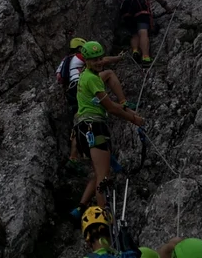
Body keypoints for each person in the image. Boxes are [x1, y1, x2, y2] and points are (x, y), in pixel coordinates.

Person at [72, 41, 144, 213]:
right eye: (94, 59)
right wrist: (134, 119)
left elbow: (106, 103)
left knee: (99, 172)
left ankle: (81, 207)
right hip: (94, 127)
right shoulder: (92, 79)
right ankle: (104, 214)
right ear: (86, 60)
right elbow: (110, 108)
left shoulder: (86, 75)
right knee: (104, 176)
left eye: (100, 58)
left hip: (83, 129)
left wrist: (128, 110)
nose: (98, 62)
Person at [100, 0, 173, 65]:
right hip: (140, 4)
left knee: (134, 33)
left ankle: (135, 51)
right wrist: (167, 7)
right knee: (143, 31)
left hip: (126, 5)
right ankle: (146, 57)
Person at [56, 38, 87, 169]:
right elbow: (96, 60)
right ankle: (85, 152)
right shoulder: (79, 57)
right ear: (81, 48)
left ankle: (73, 155)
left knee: (78, 120)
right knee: (87, 117)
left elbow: (59, 77)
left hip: (70, 91)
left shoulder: (64, 61)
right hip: (79, 87)